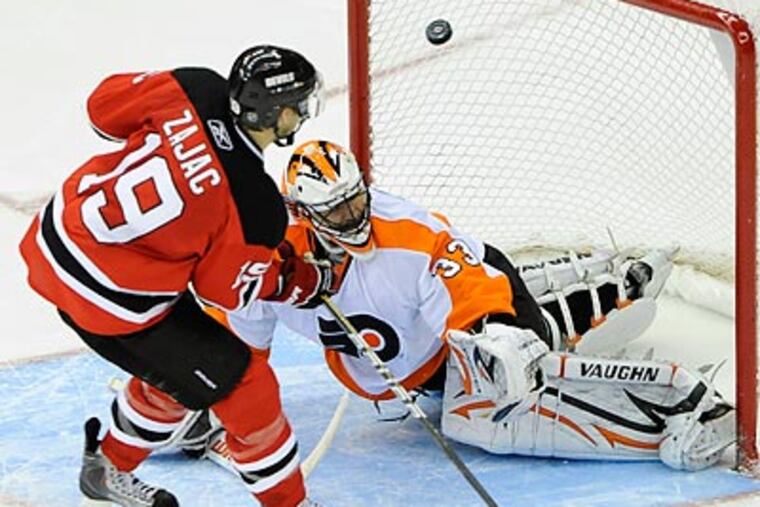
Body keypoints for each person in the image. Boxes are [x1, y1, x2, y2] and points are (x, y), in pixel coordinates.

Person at [207, 139, 735, 473]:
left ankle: (629, 305)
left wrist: (494, 331)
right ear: (303, 213)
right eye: (337, 210)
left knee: (501, 406)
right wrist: (203, 395)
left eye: (356, 199)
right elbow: (236, 342)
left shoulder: (408, 236)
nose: (353, 215)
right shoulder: (270, 263)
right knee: (473, 399)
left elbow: (465, 279)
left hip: (481, 293)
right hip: (419, 349)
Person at [18, 47, 333, 507]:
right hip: (109, 300)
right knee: (244, 381)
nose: (302, 113)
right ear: (280, 114)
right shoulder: (255, 204)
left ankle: (107, 469)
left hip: (54, 237)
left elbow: (101, 110)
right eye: (298, 105)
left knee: (189, 370)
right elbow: (223, 291)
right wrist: (290, 278)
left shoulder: (195, 88)